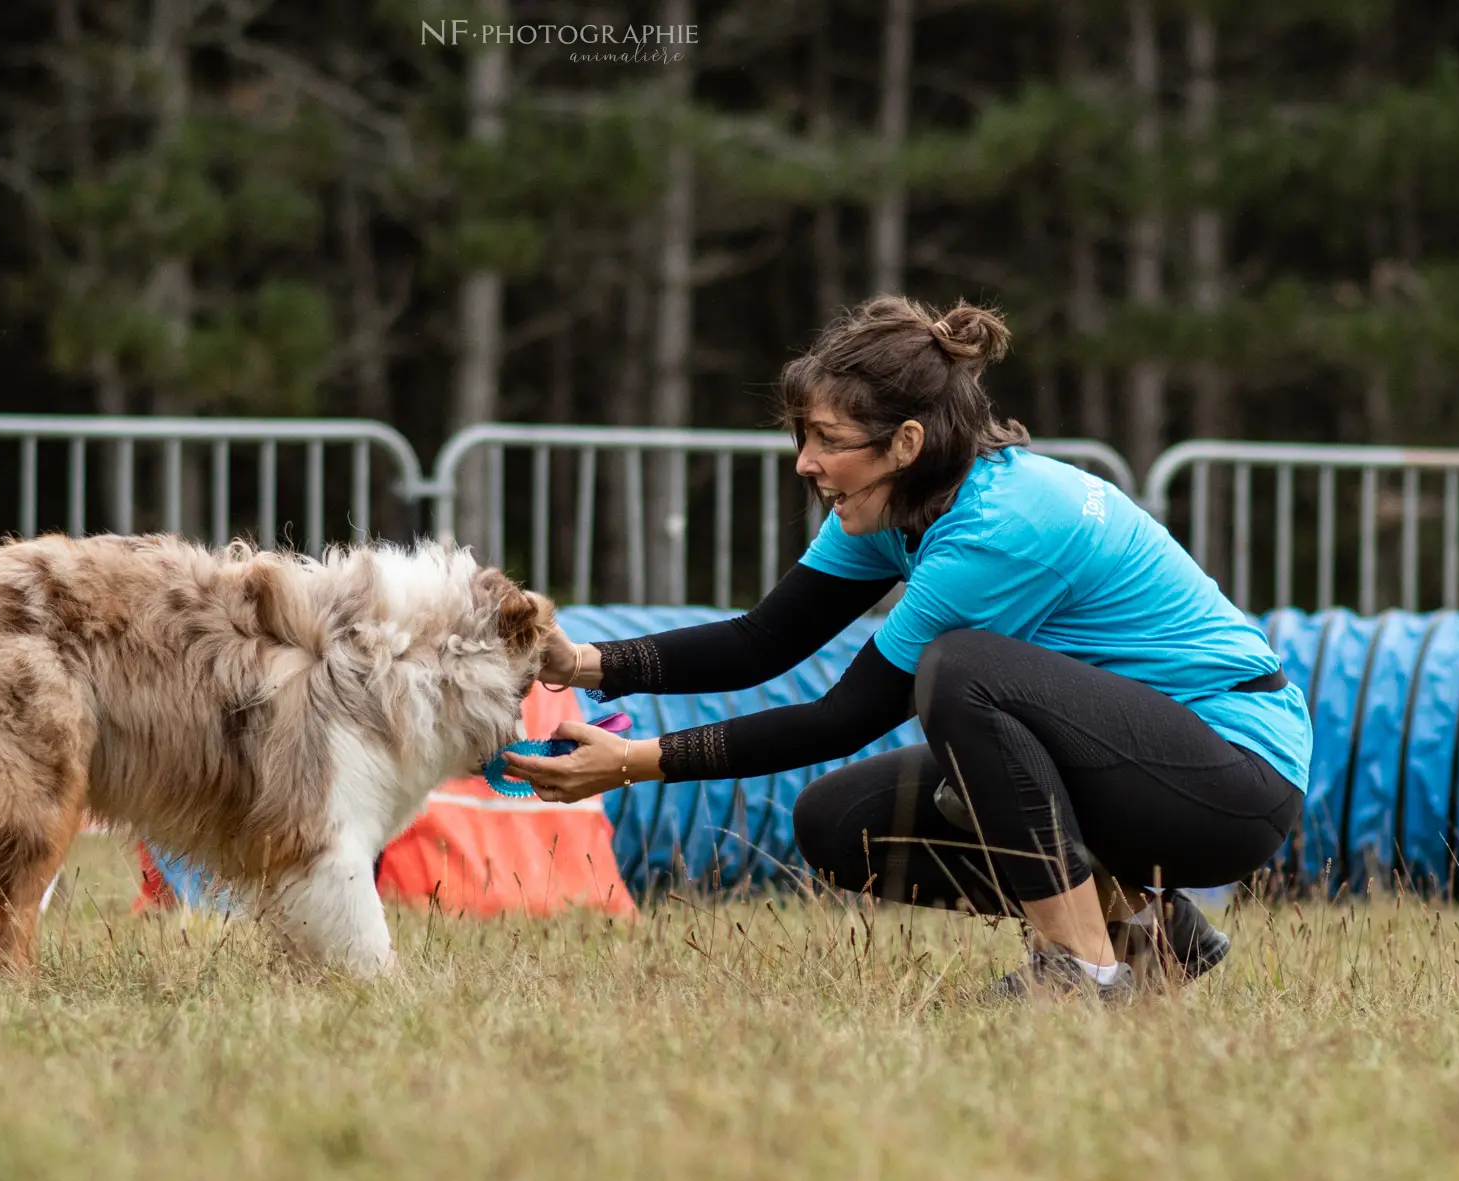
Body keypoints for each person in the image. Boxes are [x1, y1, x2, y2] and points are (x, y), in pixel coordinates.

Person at [505, 296, 1312, 1000]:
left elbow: (840, 719)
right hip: (1137, 763)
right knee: (839, 823)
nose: (805, 462)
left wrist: (630, 763)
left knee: (963, 673)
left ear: (907, 443)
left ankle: (1082, 975)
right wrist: (583, 665)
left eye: (825, 437)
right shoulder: (898, 506)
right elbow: (763, 641)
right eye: (801, 435)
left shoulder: (1002, 527)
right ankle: (1154, 932)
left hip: (1234, 779)